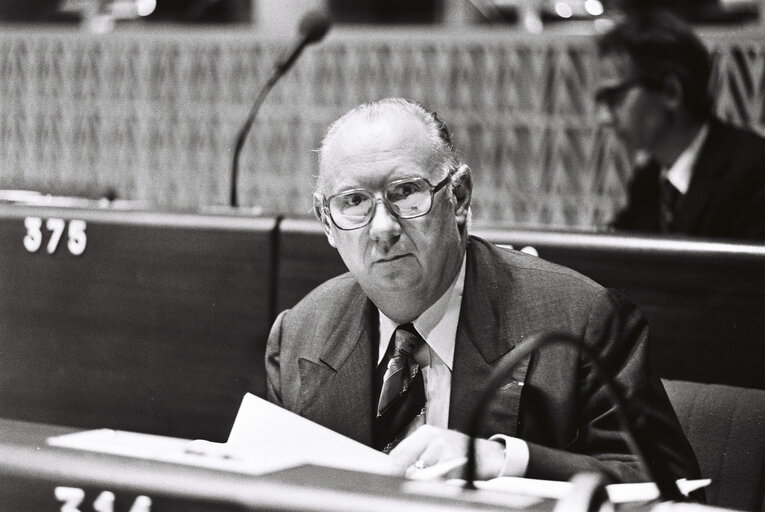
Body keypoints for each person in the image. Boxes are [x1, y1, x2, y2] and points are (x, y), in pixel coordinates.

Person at [263, 97, 700, 483]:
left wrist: (508, 459)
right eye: (354, 201)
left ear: (460, 197)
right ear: (326, 222)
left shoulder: (582, 320)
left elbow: (665, 481)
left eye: (406, 193)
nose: (382, 228)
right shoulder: (301, 333)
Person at [596, 10, 765, 240]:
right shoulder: (647, 181)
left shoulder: (754, 172)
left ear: (671, 91)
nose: (603, 118)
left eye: (615, 97)